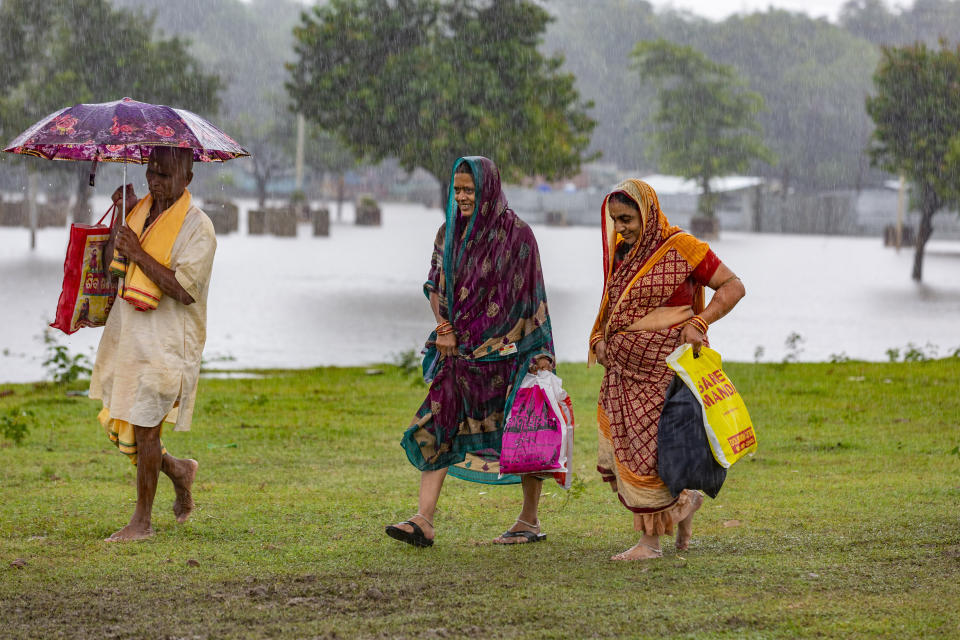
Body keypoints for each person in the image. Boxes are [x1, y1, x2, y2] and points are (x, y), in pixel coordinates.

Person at [386, 156, 556, 547]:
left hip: (510, 355)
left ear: (488, 190)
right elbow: (435, 286)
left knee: (524, 431)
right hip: (459, 355)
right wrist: (444, 330)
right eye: (457, 189)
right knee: (435, 423)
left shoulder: (518, 235)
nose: (462, 197)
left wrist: (539, 349)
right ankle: (423, 521)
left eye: (469, 190)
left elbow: (533, 295)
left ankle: (529, 520)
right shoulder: (449, 234)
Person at [589, 179, 746, 561]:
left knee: (650, 454)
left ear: (649, 211)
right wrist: (600, 339)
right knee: (630, 451)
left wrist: (703, 321)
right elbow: (613, 307)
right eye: (615, 220)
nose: (621, 227)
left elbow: (733, 286)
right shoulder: (622, 253)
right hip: (624, 371)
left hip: (663, 369)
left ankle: (650, 544)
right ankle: (685, 507)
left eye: (627, 218)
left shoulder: (683, 248)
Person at [89, 146, 217, 542]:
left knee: (145, 430)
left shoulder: (199, 227)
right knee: (128, 424)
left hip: (168, 342)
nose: (155, 181)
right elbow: (116, 264)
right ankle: (179, 470)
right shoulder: (140, 209)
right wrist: (120, 225)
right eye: (151, 172)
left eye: (164, 174)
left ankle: (141, 522)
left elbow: (183, 289)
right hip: (130, 334)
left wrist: (139, 252)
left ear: (187, 179)